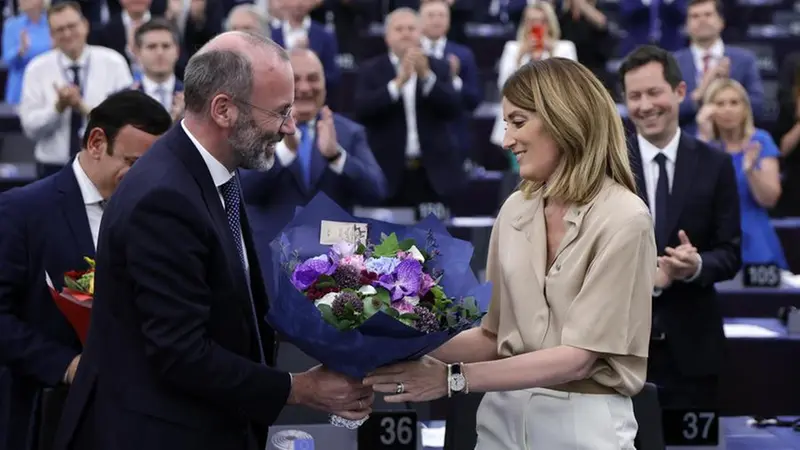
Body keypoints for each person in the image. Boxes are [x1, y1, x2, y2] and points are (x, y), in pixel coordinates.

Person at [53, 31, 373, 450]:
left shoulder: (215, 171)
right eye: (280, 112)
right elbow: (180, 354)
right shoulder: (164, 197)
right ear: (224, 110)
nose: (290, 126)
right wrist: (299, 389)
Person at [364, 57, 656, 449]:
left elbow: (578, 358)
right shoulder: (515, 209)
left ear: (565, 120)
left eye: (518, 122)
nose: (505, 141)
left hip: (585, 425)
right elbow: (494, 337)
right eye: (506, 124)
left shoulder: (625, 217)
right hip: (500, 421)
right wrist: (402, 327)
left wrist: (452, 377)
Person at [0, 90, 172, 450]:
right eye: (134, 162)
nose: (147, 178)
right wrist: (67, 365)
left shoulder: (157, 211)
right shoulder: (23, 211)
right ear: (96, 142)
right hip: (50, 415)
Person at [620, 45, 740, 410]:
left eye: (654, 92)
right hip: (619, 348)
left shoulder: (715, 164)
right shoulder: (609, 165)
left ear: (680, 92)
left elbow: (731, 252)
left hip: (693, 351)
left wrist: (696, 266)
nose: (644, 105)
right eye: (634, 96)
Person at [696, 79, 787, 271]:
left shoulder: (760, 141)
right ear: (709, 110)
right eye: (720, 104)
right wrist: (704, 137)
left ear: (745, 108)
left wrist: (750, 171)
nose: (728, 109)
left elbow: (770, 199)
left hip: (757, 241)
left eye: (734, 103)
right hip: (714, 243)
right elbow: (693, 198)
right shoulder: (700, 147)